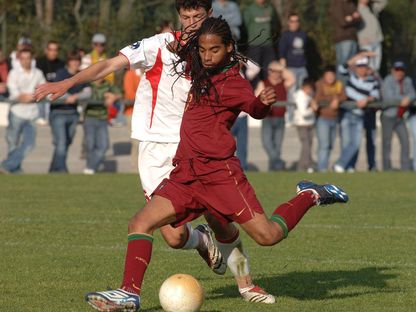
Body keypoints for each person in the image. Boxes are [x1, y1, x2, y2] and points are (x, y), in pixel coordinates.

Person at [84, 17, 347, 311]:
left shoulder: (234, 82)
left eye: (214, 50)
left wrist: (264, 102)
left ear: (229, 48)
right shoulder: (199, 65)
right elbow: (178, 46)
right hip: (186, 174)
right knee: (140, 222)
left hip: (220, 175)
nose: (207, 56)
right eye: (203, 50)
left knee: (268, 236)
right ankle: (128, 293)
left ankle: (309, 195)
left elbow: (254, 109)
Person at [35, 0, 274, 305]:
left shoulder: (213, 54)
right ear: (178, 17)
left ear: (209, 16)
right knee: (174, 238)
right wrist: (69, 82)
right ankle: (200, 241)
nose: (191, 22)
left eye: (198, 16)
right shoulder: (158, 46)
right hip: (155, 151)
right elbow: (110, 64)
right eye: (185, 16)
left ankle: (246, 284)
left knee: (220, 220)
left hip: (196, 151)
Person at [334, 51, 380, 172]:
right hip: (347, 114)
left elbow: (375, 95)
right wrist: (360, 55)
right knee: (346, 143)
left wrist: (367, 99)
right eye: (359, 66)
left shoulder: (372, 80)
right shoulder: (350, 77)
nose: (361, 69)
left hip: (359, 115)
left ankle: (343, 165)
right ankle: (346, 166)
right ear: (356, 67)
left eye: (364, 66)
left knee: (355, 143)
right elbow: (341, 68)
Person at [0, 49, 45, 174]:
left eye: (28, 58)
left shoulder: (38, 73)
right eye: (23, 58)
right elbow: (15, 94)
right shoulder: (14, 73)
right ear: (19, 60)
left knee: (30, 145)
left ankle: (5, 166)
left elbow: (42, 90)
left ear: (32, 59)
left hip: (32, 115)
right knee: (12, 144)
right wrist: (27, 96)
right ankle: (15, 170)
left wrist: (29, 96)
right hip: (16, 112)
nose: (26, 60)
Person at [49, 51, 91, 173]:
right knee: (61, 143)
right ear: (68, 62)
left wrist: (75, 97)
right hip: (58, 113)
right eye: (73, 61)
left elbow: (88, 92)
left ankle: (53, 170)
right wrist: (67, 97)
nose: (75, 63)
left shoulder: (82, 75)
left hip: (73, 114)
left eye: (77, 61)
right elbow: (55, 91)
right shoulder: (61, 73)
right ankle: (62, 171)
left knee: (66, 143)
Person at [255, 61, 295, 171]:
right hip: (268, 118)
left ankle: (274, 169)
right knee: (267, 142)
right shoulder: (263, 83)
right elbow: (257, 98)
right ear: (269, 72)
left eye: (279, 72)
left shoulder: (284, 84)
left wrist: (281, 67)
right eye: (274, 71)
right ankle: (278, 162)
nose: (277, 74)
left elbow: (292, 78)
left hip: (280, 118)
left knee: (277, 145)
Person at [83, 78, 121, 174]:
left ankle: (90, 167)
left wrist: (113, 97)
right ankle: (91, 168)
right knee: (90, 145)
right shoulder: (88, 85)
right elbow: (84, 97)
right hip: (90, 118)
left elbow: (120, 94)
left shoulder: (108, 85)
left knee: (104, 146)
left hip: (103, 118)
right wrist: (103, 98)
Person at [381, 60, 414, 171]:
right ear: (393, 70)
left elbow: (413, 93)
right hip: (388, 116)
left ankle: (405, 168)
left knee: (405, 141)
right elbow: (389, 97)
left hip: (400, 117)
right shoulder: (387, 80)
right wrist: (403, 99)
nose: (399, 72)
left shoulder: (407, 80)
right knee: (387, 143)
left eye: (402, 70)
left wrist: (408, 99)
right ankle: (387, 168)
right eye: (397, 70)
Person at [314, 66, 347, 172]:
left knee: (330, 145)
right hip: (323, 118)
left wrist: (337, 99)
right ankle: (321, 169)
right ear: (324, 76)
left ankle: (324, 166)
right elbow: (317, 98)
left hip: (335, 118)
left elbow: (344, 96)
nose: (330, 77)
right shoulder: (319, 84)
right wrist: (333, 99)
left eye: (332, 75)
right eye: (328, 75)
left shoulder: (339, 84)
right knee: (324, 145)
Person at [243, 0, 279, 84]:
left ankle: (270, 90)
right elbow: (245, 26)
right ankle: (253, 91)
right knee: (254, 71)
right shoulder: (249, 9)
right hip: (254, 45)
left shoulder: (270, 8)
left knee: (270, 70)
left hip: (268, 45)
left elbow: (274, 24)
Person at [329, 0, 361, 81]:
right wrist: (354, 17)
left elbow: (359, 19)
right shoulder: (337, 4)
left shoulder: (351, 4)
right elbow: (343, 22)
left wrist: (351, 18)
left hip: (353, 38)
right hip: (343, 39)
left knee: (352, 65)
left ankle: (350, 87)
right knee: (343, 65)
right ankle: (342, 88)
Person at [36, 40, 66, 125]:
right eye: (51, 49)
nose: (53, 52)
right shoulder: (39, 62)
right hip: (43, 90)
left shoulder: (61, 63)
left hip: (57, 91)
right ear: (46, 50)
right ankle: (41, 117)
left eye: (55, 50)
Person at [293, 78, 318, 172]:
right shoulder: (300, 96)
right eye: (309, 88)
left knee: (308, 146)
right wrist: (312, 109)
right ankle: (303, 167)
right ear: (304, 87)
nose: (310, 91)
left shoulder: (309, 95)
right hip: (302, 124)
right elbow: (303, 113)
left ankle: (307, 165)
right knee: (306, 146)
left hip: (309, 123)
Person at [279, 12, 308, 90]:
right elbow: (282, 55)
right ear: (289, 22)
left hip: (302, 68)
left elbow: (306, 50)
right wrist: (284, 70)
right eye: (292, 21)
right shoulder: (285, 35)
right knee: (292, 93)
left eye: (297, 21)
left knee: (303, 92)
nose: (295, 23)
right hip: (291, 68)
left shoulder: (303, 34)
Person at [357, 0, 387, 74]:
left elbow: (384, 2)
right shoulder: (357, 9)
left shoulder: (372, 8)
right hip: (366, 42)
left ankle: (375, 82)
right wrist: (361, 39)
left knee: (376, 67)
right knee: (368, 66)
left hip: (377, 40)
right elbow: (355, 26)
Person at [123, 68, 142, 171]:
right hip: (133, 113)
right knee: (137, 143)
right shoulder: (130, 74)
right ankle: (135, 170)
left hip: (151, 113)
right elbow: (130, 95)